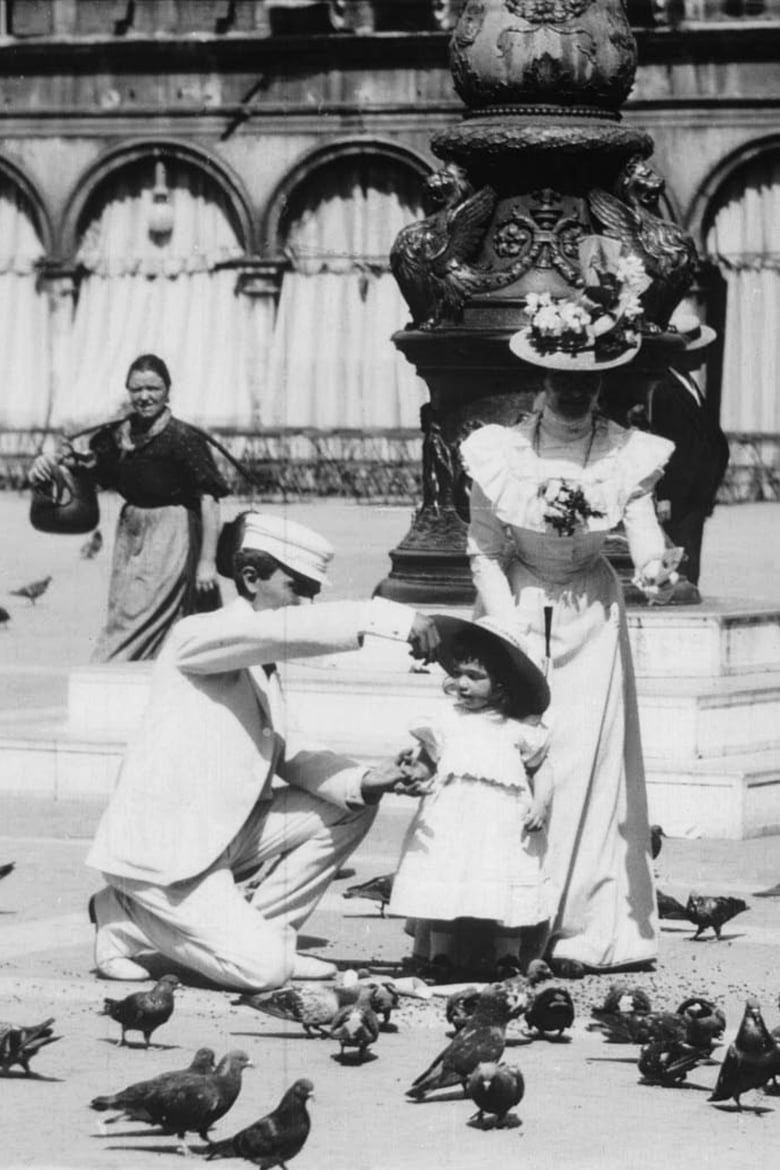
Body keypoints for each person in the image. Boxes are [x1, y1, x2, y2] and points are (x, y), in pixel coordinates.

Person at [85, 511, 440, 989]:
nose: (305, 603)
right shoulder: (197, 635)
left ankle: (271, 933)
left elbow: (288, 750)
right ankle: (123, 913)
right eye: (296, 588)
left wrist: (367, 780)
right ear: (250, 579)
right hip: (168, 854)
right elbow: (276, 633)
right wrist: (387, 618)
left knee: (351, 806)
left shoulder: (256, 657)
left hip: (222, 832)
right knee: (264, 974)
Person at [458, 299, 678, 977]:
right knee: (517, 761)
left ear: (601, 383)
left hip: (591, 615)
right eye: (562, 381)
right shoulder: (501, 450)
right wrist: (506, 623)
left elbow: (640, 524)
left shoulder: (620, 450)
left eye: (586, 382)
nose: (574, 392)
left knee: (584, 764)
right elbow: (484, 548)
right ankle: (506, 919)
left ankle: (584, 924)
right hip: (520, 609)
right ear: (542, 383)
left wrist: (652, 567)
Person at [29, 353, 229, 662]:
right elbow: (85, 471)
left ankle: (107, 670)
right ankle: (148, 681)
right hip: (131, 533)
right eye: (137, 389)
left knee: (139, 616)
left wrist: (207, 562)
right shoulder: (117, 436)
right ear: (128, 391)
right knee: (127, 607)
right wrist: (48, 466)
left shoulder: (183, 438)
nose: (145, 396)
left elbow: (209, 501)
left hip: (172, 534)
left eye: (153, 388)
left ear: (168, 391)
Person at [388, 614, 554, 980]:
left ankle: (506, 955)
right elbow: (429, 763)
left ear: (501, 686)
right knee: (445, 883)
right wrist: (412, 772)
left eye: (475, 677)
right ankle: (440, 955)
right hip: (451, 818)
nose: (462, 683)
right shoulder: (445, 720)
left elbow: (541, 769)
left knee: (504, 883)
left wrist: (540, 804)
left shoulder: (518, 728)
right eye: (459, 673)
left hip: (501, 822)